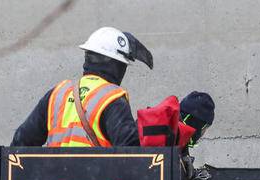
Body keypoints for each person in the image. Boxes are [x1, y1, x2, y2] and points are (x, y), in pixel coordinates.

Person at [11, 27, 153, 147]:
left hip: (55, 179)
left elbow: (21, 141)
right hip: (97, 179)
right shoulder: (111, 97)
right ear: (117, 65)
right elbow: (130, 152)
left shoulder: (58, 93)